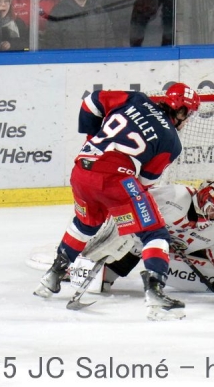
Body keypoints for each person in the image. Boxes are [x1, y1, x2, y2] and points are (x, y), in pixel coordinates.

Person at [34, 82, 201, 321]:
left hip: (82, 169)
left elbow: (91, 102)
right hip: (116, 179)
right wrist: (123, 210)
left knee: (85, 223)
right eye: (189, 113)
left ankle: (51, 278)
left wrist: (92, 139)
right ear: (182, 111)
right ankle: (155, 294)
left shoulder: (136, 99)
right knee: (154, 234)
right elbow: (142, 182)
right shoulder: (172, 142)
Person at [76, 181, 214, 301]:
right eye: (212, 208)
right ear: (203, 199)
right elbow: (137, 202)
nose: (213, 215)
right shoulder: (174, 196)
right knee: (102, 280)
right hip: (141, 242)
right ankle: (78, 265)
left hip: (178, 253)